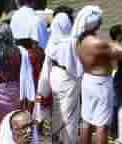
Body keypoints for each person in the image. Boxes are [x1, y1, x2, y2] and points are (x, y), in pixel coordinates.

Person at [77, 6, 121, 144]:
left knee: (86, 120)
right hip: (101, 83)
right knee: (102, 124)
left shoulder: (79, 40)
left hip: (87, 79)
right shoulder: (98, 44)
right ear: (96, 25)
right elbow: (118, 53)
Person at [41, 10, 82, 144]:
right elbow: (78, 67)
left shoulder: (52, 42)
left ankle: (56, 138)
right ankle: (68, 140)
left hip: (55, 78)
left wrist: (42, 90)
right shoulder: (72, 42)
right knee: (70, 114)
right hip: (69, 80)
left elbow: (46, 67)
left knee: (57, 110)